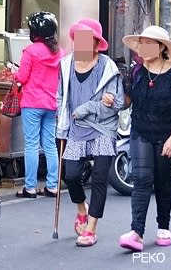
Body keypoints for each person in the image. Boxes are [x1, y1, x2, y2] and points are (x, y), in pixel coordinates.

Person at [118, 25, 171, 252]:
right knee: (141, 179)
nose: (143, 48)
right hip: (140, 131)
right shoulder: (136, 73)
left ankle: (163, 227)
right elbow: (127, 102)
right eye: (142, 43)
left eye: (149, 43)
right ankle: (136, 232)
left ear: (161, 48)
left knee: (162, 182)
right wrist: (112, 99)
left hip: (167, 134)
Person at [57, 18, 124, 248]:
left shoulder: (108, 67)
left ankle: (91, 228)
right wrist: (62, 117)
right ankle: (81, 208)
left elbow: (118, 103)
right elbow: (60, 96)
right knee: (71, 175)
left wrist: (102, 103)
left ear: (97, 44)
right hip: (76, 129)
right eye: (79, 39)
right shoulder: (65, 65)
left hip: (103, 128)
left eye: (88, 40)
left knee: (99, 178)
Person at [14, 11, 64, 198]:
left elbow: (22, 77)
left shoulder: (31, 51)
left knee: (32, 145)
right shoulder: (60, 52)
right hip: (52, 104)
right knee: (50, 145)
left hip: (32, 103)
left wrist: (15, 74)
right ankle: (52, 186)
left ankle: (30, 187)